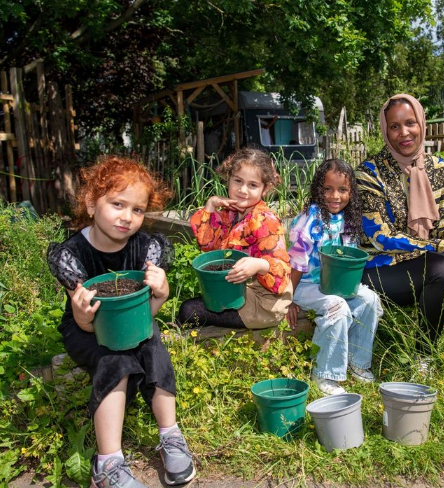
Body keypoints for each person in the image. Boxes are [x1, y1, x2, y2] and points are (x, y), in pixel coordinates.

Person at [47, 156, 195, 488]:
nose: (127, 217)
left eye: (137, 210)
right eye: (117, 204)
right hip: (85, 328)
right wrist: (84, 318)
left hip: (134, 320)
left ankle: (169, 434)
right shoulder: (72, 254)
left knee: (153, 343)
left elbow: (147, 313)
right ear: (90, 204)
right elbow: (88, 322)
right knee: (115, 358)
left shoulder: (146, 249)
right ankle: (108, 462)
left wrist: (161, 293)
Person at [356, 94, 444, 370]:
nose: (404, 133)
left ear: (421, 124)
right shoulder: (368, 174)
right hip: (379, 267)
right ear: (385, 131)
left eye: (410, 123)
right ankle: (425, 355)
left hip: (423, 261)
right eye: (394, 126)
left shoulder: (437, 169)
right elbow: (381, 236)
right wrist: (442, 247)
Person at [287, 159, 382, 395]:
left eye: (342, 190)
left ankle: (358, 361)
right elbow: (297, 263)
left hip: (334, 284)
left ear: (351, 192)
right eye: (327, 189)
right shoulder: (311, 220)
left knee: (369, 299)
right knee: (337, 307)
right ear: (318, 189)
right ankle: (325, 372)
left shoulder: (348, 220)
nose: (335, 196)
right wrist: (288, 298)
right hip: (306, 285)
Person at [177, 148, 292, 329]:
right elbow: (207, 245)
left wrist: (259, 265)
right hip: (238, 290)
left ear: (265, 188)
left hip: (264, 302)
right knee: (198, 306)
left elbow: (283, 272)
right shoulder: (229, 213)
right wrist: (211, 204)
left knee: (188, 310)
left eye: (252, 185)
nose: (243, 190)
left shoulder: (264, 220)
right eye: (238, 181)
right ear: (228, 178)